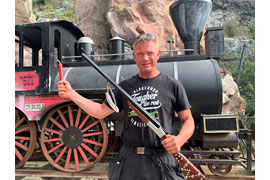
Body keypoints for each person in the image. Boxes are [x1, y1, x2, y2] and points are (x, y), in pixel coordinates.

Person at [57, 33, 195, 180]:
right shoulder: (125, 87)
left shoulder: (172, 85)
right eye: (140, 54)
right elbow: (100, 111)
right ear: (134, 56)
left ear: (158, 54)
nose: (145, 58)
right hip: (129, 160)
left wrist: (179, 140)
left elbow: (188, 120)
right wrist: (72, 94)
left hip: (161, 160)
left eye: (150, 53)